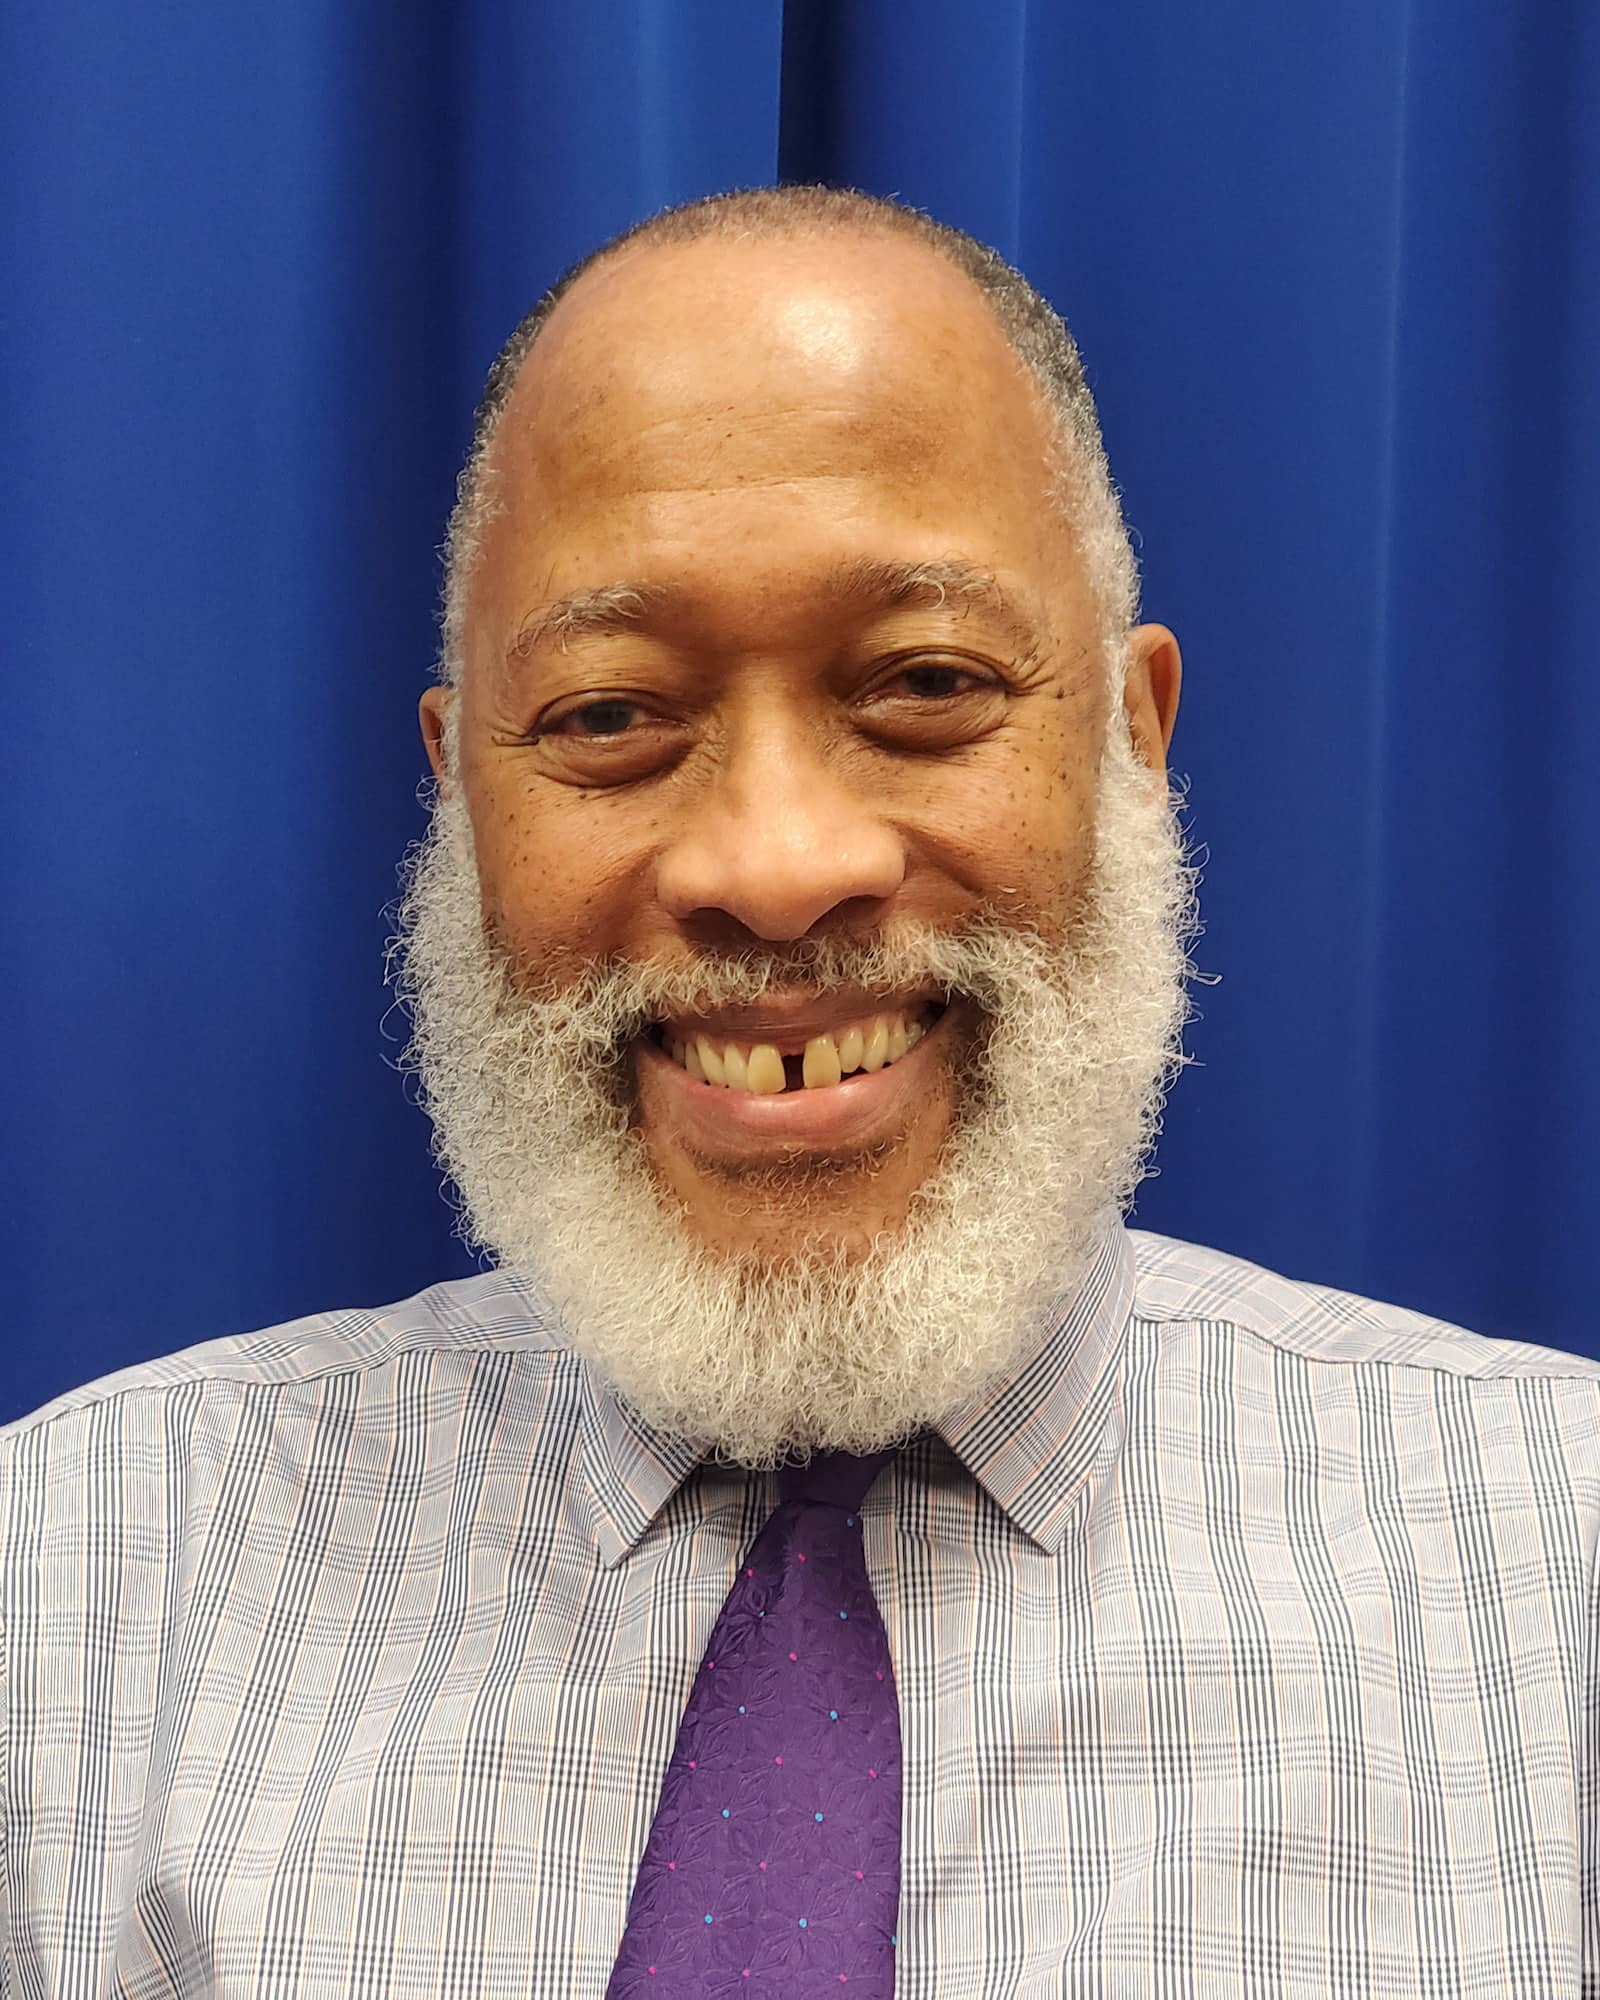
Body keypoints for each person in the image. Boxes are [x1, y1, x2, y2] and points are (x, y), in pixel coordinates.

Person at [1, 186, 1594, 1999]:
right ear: (460, 794)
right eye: (608, 716)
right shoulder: (64, 1595)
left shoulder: (1556, 1577)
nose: (774, 867)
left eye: (924, 683)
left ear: (1132, 742)